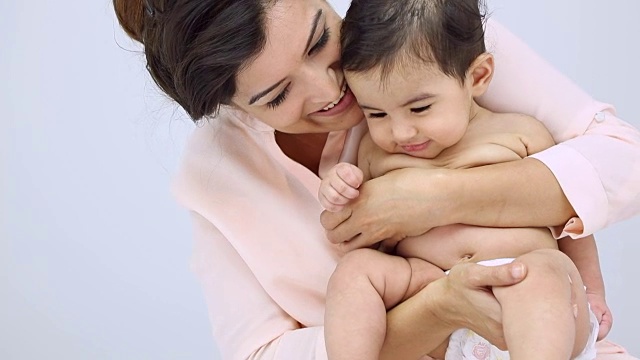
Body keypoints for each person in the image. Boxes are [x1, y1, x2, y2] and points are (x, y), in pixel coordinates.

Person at [111, 0, 640, 359]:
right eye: (276, 96)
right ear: (227, 106)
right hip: (420, 300)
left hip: (531, 296)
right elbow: (261, 352)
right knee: (358, 273)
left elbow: (620, 161)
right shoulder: (213, 177)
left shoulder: (424, 34)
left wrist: (434, 197)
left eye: (320, 40)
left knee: (538, 280)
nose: (329, 88)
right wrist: (436, 309)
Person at [318, 1, 605, 359]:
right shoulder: (374, 153)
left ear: (478, 77)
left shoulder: (520, 133)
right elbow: (364, 224)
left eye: (420, 108)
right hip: (433, 299)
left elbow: (571, 210)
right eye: (376, 113)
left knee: (543, 273)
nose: (401, 131)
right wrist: (338, 187)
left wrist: (592, 290)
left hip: (525, 291)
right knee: (353, 272)